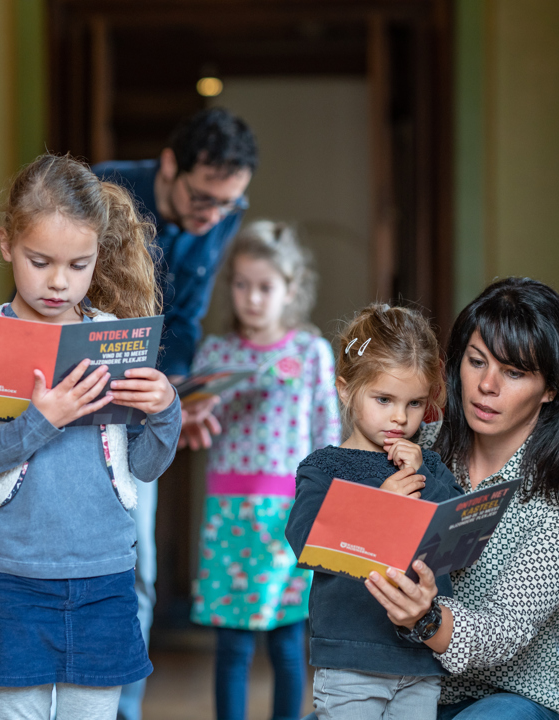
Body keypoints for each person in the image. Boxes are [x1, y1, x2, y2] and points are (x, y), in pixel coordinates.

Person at [0, 154, 182, 720]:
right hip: (12, 582)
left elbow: (144, 467)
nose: (59, 282)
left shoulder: (113, 342)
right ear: (6, 244)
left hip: (105, 579)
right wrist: (39, 421)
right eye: (40, 261)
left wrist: (167, 412)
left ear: (99, 253)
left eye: (79, 264)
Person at [93, 107, 258, 720]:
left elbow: (184, 318)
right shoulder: (101, 190)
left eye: (228, 205)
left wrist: (177, 401)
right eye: (203, 197)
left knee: (138, 572)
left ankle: (122, 713)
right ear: (169, 164)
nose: (213, 215)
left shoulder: (219, 213)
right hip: (72, 400)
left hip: (142, 410)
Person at [364, 277, 559, 719]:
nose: (486, 385)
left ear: (550, 389)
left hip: (517, 696)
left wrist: (426, 618)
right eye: (476, 362)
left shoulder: (553, 495)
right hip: (411, 686)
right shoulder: (419, 448)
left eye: (514, 372)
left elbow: (503, 629)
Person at [189, 221, 341, 720]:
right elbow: (192, 428)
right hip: (229, 517)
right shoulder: (215, 354)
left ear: (290, 290)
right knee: (232, 647)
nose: (251, 298)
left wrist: (328, 509)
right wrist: (192, 413)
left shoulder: (310, 352)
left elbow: (328, 435)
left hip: (291, 517)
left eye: (265, 287)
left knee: (286, 642)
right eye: (241, 284)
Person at [285, 304, 464, 720]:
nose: (400, 418)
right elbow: (306, 540)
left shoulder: (430, 466)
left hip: (420, 662)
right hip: (351, 661)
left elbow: (455, 534)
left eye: (415, 403)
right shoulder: (324, 468)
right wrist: (380, 505)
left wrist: (424, 477)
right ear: (346, 390)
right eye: (384, 399)